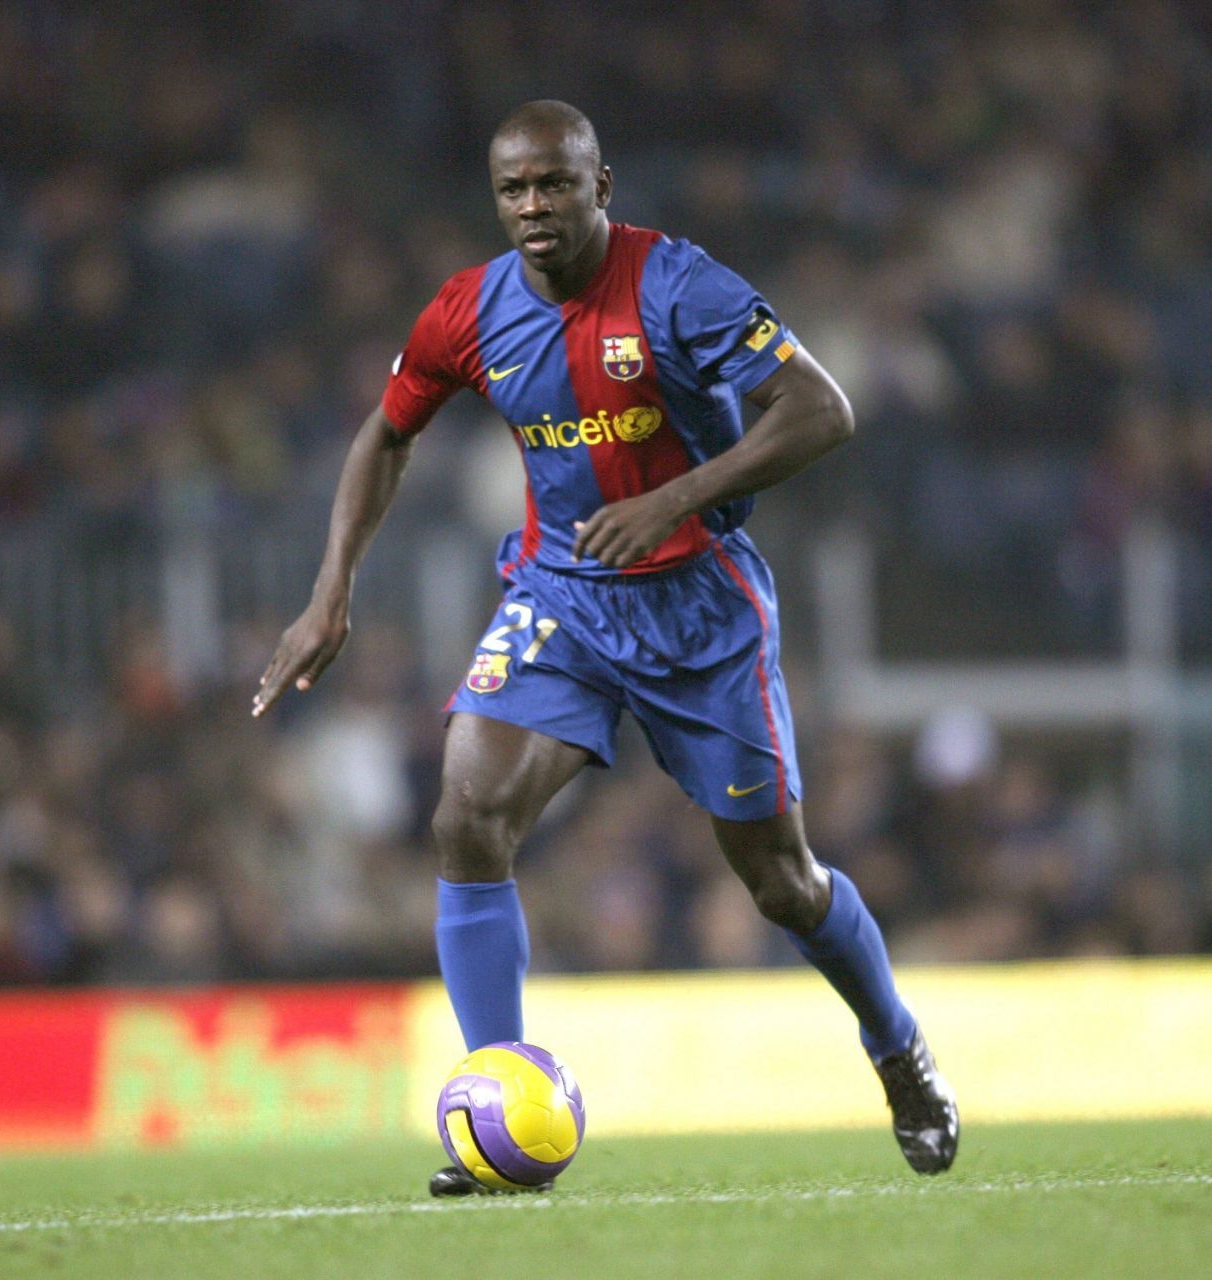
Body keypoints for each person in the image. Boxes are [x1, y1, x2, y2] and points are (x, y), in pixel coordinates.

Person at [253, 100, 956, 1194]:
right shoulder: (467, 311)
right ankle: (497, 1104)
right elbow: (385, 432)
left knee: (779, 881)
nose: (534, 206)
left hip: (700, 610)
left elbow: (823, 408)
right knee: (467, 813)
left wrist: (675, 494)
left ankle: (896, 1044)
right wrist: (328, 590)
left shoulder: (679, 285)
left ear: (600, 185)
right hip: (564, 599)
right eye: (514, 190)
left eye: (555, 184)